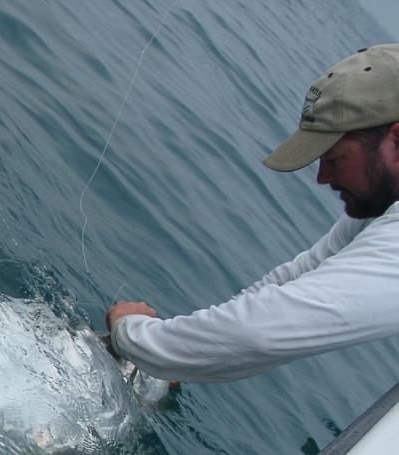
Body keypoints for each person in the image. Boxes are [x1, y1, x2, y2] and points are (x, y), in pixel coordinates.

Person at [106, 44, 399, 383]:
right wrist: (174, 355)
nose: (322, 178)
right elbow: (294, 280)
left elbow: (260, 333)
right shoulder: (377, 202)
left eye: (333, 159)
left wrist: (130, 335)